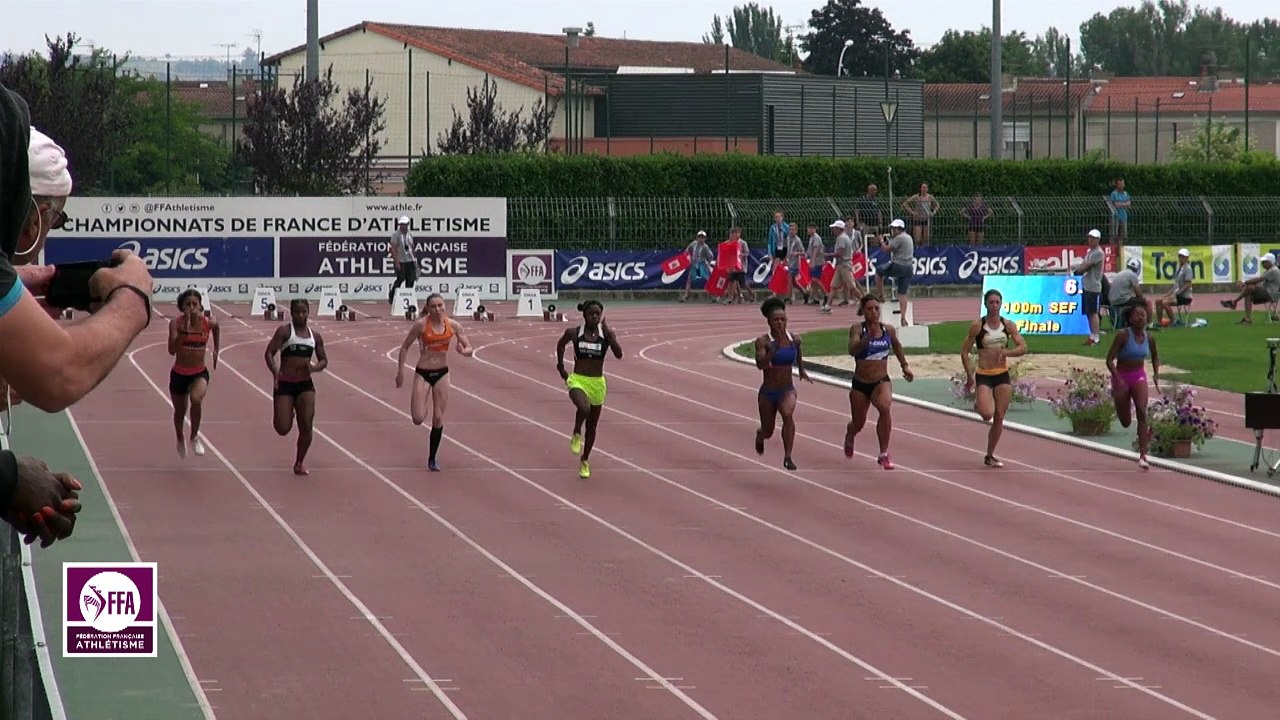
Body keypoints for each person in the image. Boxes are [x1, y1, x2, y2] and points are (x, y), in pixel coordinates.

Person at [395, 292, 474, 471]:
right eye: (433, 306)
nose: (438, 309)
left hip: (442, 373)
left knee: (438, 418)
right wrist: (400, 371)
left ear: (445, 306)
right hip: (423, 373)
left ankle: (432, 458)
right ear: (428, 309)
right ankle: (423, 401)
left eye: (440, 305)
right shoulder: (421, 325)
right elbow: (404, 347)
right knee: (417, 418)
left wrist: (464, 351)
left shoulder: (453, 325)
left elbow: (469, 348)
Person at [843, 293, 913, 469]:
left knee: (884, 407)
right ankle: (850, 434)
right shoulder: (858, 329)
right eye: (869, 309)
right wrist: (868, 338)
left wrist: (905, 366)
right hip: (860, 383)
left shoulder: (888, 330)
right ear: (863, 311)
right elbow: (853, 350)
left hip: (881, 380)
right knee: (858, 423)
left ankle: (883, 453)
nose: (874, 312)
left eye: (876, 309)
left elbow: (896, 345)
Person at [960, 289, 1028, 468]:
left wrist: (1007, 352)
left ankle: (990, 455)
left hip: (1002, 374)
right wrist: (969, 374)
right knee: (986, 414)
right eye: (991, 302)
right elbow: (964, 351)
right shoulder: (978, 326)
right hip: (984, 374)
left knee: (999, 417)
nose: (994, 306)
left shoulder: (1008, 325)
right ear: (985, 304)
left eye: (997, 302)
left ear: (1001, 304)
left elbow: (1022, 347)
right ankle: (979, 404)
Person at [556, 300, 622, 479]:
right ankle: (577, 431)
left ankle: (585, 460)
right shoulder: (574, 333)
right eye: (591, 314)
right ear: (584, 315)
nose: (595, 317)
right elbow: (561, 344)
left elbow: (619, 354)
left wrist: (609, 335)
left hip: (597, 383)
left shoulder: (606, 335)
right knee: (583, 407)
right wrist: (561, 366)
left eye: (598, 314)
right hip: (578, 380)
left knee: (592, 426)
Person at [264, 298, 328, 475]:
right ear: (291, 313)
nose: (301, 315)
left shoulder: (314, 336)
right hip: (285, 383)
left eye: (304, 312)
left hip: (305, 385)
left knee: (307, 425)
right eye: (297, 312)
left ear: (308, 312)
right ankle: (288, 412)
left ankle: (299, 462)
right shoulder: (285, 332)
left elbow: (324, 360)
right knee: (282, 429)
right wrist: (275, 371)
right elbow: (269, 353)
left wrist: (314, 368)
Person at [754, 297, 812, 470]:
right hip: (768, 392)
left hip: (787, 389)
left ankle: (788, 457)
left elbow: (798, 353)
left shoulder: (794, 339)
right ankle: (760, 435)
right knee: (768, 430)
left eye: (783, 319)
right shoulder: (763, 342)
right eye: (776, 320)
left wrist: (801, 370)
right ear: (769, 322)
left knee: (788, 414)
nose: (780, 323)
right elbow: (760, 365)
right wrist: (772, 352)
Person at [167, 289, 220, 458]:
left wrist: (217, 349)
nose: (191, 308)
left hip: (199, 372)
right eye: (187, 305)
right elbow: (171, 350)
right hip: (179, 373)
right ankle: (179, 437)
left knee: (196, 399)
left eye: (194, 304)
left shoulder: (207, 323)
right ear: (181, 308)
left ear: (200, 306)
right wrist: (184, 333)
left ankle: (194, 436)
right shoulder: (176, 324)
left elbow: (217, 325)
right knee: (180, 412)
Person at [1106, 304, 1159, 470]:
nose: (1141, 318)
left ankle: (1143, 454)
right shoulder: (1122, 335)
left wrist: (1156, 374)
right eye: (1137, 315)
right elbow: (1109, 360)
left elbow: (1155, 357)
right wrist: (1117, 377)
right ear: (1130, 319)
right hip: (1122, 377)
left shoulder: (1149, 338)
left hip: (1138, 376)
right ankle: (1120, 404)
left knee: (1142, 411)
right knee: (1126, 422)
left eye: (1143, 315)